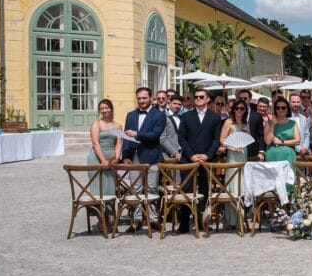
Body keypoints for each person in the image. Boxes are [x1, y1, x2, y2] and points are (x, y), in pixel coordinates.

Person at [121, 87, 166, 232]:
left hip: (151, 155)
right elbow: (126, 138)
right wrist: (126, 156)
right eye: (139, 98)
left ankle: (153, 220)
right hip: (134, 156)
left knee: (152, 188)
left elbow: (155, 135)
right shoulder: (131, 115)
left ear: (151, 98)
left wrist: (137, 134)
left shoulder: (159, 115)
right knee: (135, 189)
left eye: (144, 98)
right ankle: (137, 220)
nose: (141, 101)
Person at [176, 89, 220, 234]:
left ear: (208, 99)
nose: (198, 99)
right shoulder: (186, 116)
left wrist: (207, 155)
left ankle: (203, 221)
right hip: (189, 159)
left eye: (201, 97)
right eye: (196, 97)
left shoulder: (215, 117)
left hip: (207, 160)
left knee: (205, 190)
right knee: (186, 190)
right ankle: (183, 223)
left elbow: (217, 139)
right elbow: (181, 138)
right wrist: (192, 156)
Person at [87, 99, 121, 229]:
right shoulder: (97, 124)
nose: (105, 110)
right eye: (102, 108)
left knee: (109, 189)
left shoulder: (117, 126)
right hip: (97, 158)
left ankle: (109, 218)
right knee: (98, 189)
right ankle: (101, 219)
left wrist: (117, 157)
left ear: (111, 108)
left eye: (107, 108)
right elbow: (95, 143)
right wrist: (103, 160)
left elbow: (119, 143)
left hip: (112, 158)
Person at [219, 99, 250, 228]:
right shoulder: (228, 122)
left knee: (243, 185)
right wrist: (232, 148)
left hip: (244, 155)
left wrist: (247, 133)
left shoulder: (245, 124)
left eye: (242, 109)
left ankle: (240, 217)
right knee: (233, 185)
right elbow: (222, 140)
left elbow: (249, 139)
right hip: (233, 155)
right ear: (233, 110)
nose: (239, 111)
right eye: (237, 108)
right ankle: (231, 219)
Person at [265, 97, 300, 195]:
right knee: (272, 184)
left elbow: (297, 140)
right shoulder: (269, 123)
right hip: (273, 157)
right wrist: (272, 125)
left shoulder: (293, 123)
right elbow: (267, 141)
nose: (280, 110)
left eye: (283, 107)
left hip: (288, 157)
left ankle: (288, 208)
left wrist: (282, 142)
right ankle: (271, 209)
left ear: (287, 109)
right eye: (278, 108)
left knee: (288, 183)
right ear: (275, 109)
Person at [289, 93, 311, 159]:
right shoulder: (286, 118)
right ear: (289, 103)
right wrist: (299, 149)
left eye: (298, 102)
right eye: (293, 102)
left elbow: (307, 134)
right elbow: (288, 137)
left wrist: (305, 147)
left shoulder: (303, 118)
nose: (296, 104)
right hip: (291, 151)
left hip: (304, 152)